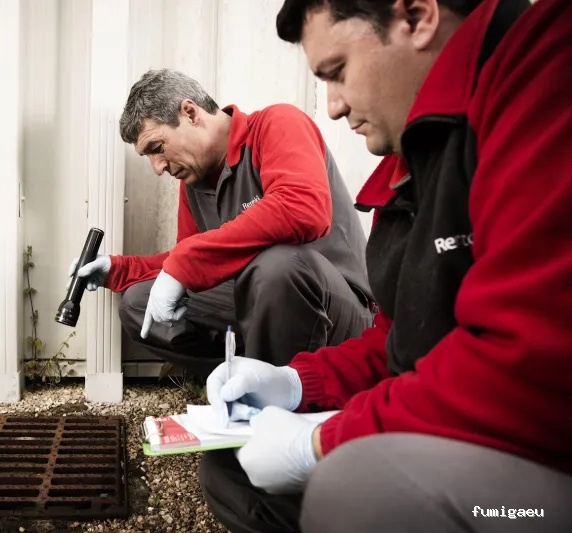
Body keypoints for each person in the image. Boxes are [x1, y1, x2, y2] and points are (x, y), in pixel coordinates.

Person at [200, 0, 572, 532]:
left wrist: (320, 441)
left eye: (338, 72)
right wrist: (297, 383)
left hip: (543, 468)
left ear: (417, 17)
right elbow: (405, 343)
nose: (332, 105)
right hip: (466, 421)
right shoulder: (410, 167)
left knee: (358, 488)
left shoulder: (546, 79)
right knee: (231, 468)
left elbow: (528, 362)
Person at [68, 69, 375, 376]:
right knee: (138, 304)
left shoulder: (277, 124)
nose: (158, 167)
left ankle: (282, 400)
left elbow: (303, 208)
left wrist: (187, 262)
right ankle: (244, 375)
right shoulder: (195, 182)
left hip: (337, 310)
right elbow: (190, 261)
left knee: (279, 264)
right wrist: (118, 269)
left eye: (157, 148)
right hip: (261, 300)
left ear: (190, 113)